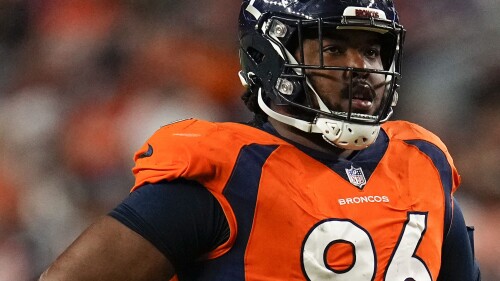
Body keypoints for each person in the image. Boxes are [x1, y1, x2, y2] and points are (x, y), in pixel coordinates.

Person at [39, 0, 481, 280]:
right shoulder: (226, 170)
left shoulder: (420, 162)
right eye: (334, 49)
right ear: (273, 59)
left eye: (371, 50)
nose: (361, 67)